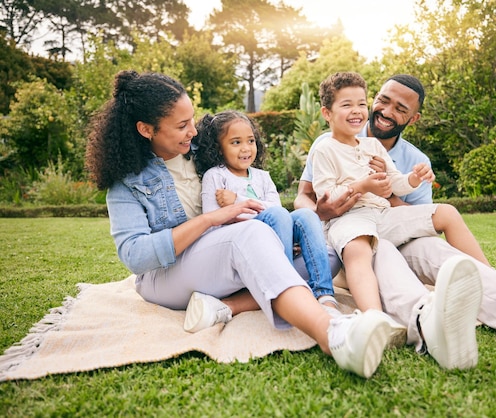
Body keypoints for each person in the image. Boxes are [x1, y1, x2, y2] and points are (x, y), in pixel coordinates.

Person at [84, 69, 405, 379]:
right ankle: (332, 333)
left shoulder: (202, 151)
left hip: (220, 259)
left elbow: (248, 178)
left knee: (324, 254)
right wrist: (212, 218)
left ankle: (226, 306)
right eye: (182, 126)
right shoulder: (126, 183)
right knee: (247, 234)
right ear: (146, 129)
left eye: (192, 120)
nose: (193, 132)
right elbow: (135, 256)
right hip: (166, 275)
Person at [294, 72, 496, 366]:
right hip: (351, 240)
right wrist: (322, 215)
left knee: (438, 252)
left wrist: (402, 183)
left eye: (399, 109)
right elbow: (309, 196)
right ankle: (425, 322)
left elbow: (411, 212)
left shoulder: (409, 157)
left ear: (412, 119)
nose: (383, 111)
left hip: (392, 227)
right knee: (380, 250)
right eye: (382, 100)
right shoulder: (328, 144)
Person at [308, 71, 490, 312]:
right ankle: (373, 315)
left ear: (413, 118)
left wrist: (414, 178)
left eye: (361, 104)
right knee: (358, 250)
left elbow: (396, 182)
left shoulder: (374, 146)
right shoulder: (325, 148)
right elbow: (326, 194)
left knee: (447, 212)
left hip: (383, 217)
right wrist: (364, 185)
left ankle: (490, 279)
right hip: (349, 220)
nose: (357, 110)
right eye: (347, 105)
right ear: (327, 113)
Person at [193, 110, 339, 312]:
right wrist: (254, 216)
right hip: (246, 239)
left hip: (274, 229)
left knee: (306, 215)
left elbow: (274, 208)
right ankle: (286, 291)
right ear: (218, 148)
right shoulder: (216, 176)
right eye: (236, 142)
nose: (246, 148)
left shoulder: (262, 176)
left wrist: (238, 201)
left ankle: (324, 294)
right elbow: (214, 223)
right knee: (279, 216)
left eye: (250, 141)